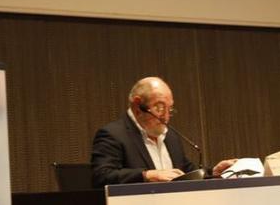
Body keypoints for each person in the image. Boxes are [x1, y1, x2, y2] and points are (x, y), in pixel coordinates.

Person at [90, 77, 234, 187]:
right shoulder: (113, 135)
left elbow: (187, 173)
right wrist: (148, 175)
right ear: (137, 106)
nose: (165, 116)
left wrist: (213, 173)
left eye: (169, 109)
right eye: (159, 107)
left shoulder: (170, 137)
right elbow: (101, 176)